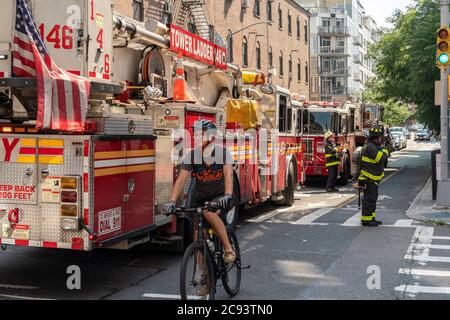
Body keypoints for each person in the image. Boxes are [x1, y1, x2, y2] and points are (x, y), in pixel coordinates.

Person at [164, 119, 236, 264]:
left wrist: (227, 195)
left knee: (208, 212)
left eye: (200, 134)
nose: (196, 137)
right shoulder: (192, 156)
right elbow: (181, 180)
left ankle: (228, 249)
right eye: (195, 134)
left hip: (221, 197)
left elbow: (228, 174)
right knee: (197, 236)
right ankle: (203, 277)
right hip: (202, 198)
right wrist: (172, 201)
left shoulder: (223, 152)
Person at [358, 124, 390, 227]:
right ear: (376, 137)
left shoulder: (373, 145)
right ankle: (366, 220)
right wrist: (385, 150)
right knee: (369, 200)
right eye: (381, 137)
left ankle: (371, 218)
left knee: (372, 199)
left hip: (372, 178)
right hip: (369, 178)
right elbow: (379, 158)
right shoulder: (371, 147)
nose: (383, 139)